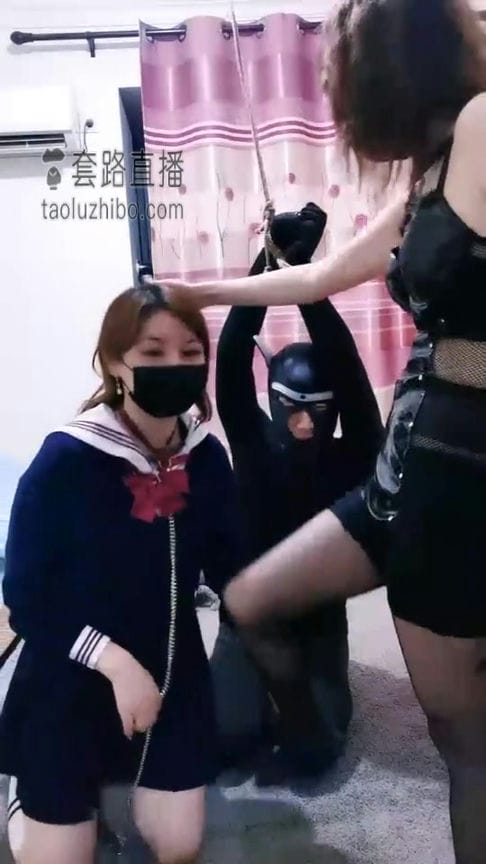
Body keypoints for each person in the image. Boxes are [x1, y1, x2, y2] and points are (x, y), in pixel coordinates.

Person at [164, 1, 486, 861]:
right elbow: (321, 278)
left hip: (458, 476)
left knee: (464, 743)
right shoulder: (432, 175)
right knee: (249, 601)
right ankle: (309, 739)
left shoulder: (483, 125)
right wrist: (206, 292)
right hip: (402, 473)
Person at [0, 283, 242, 864]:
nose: (175, 365)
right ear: (114, 362)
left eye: (190, 352)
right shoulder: (65, 459)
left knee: (179, 848)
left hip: (171, 665)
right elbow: (24, 595)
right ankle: (25, 796)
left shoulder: (206, 457)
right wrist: (112, 662)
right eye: (153, 352)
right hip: (70, 667)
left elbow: (231, 564)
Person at [211, 202, 383, 781]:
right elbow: (233, 356)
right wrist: (269, 261)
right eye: (293, 409)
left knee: (317, 750)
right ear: (274, 402)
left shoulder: (353, 453)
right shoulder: (253, 441)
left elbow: (348, 372)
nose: (305, 425)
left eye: (318, 411)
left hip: (316, 622)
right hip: (245, 619)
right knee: (229, 740)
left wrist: (309, 280)